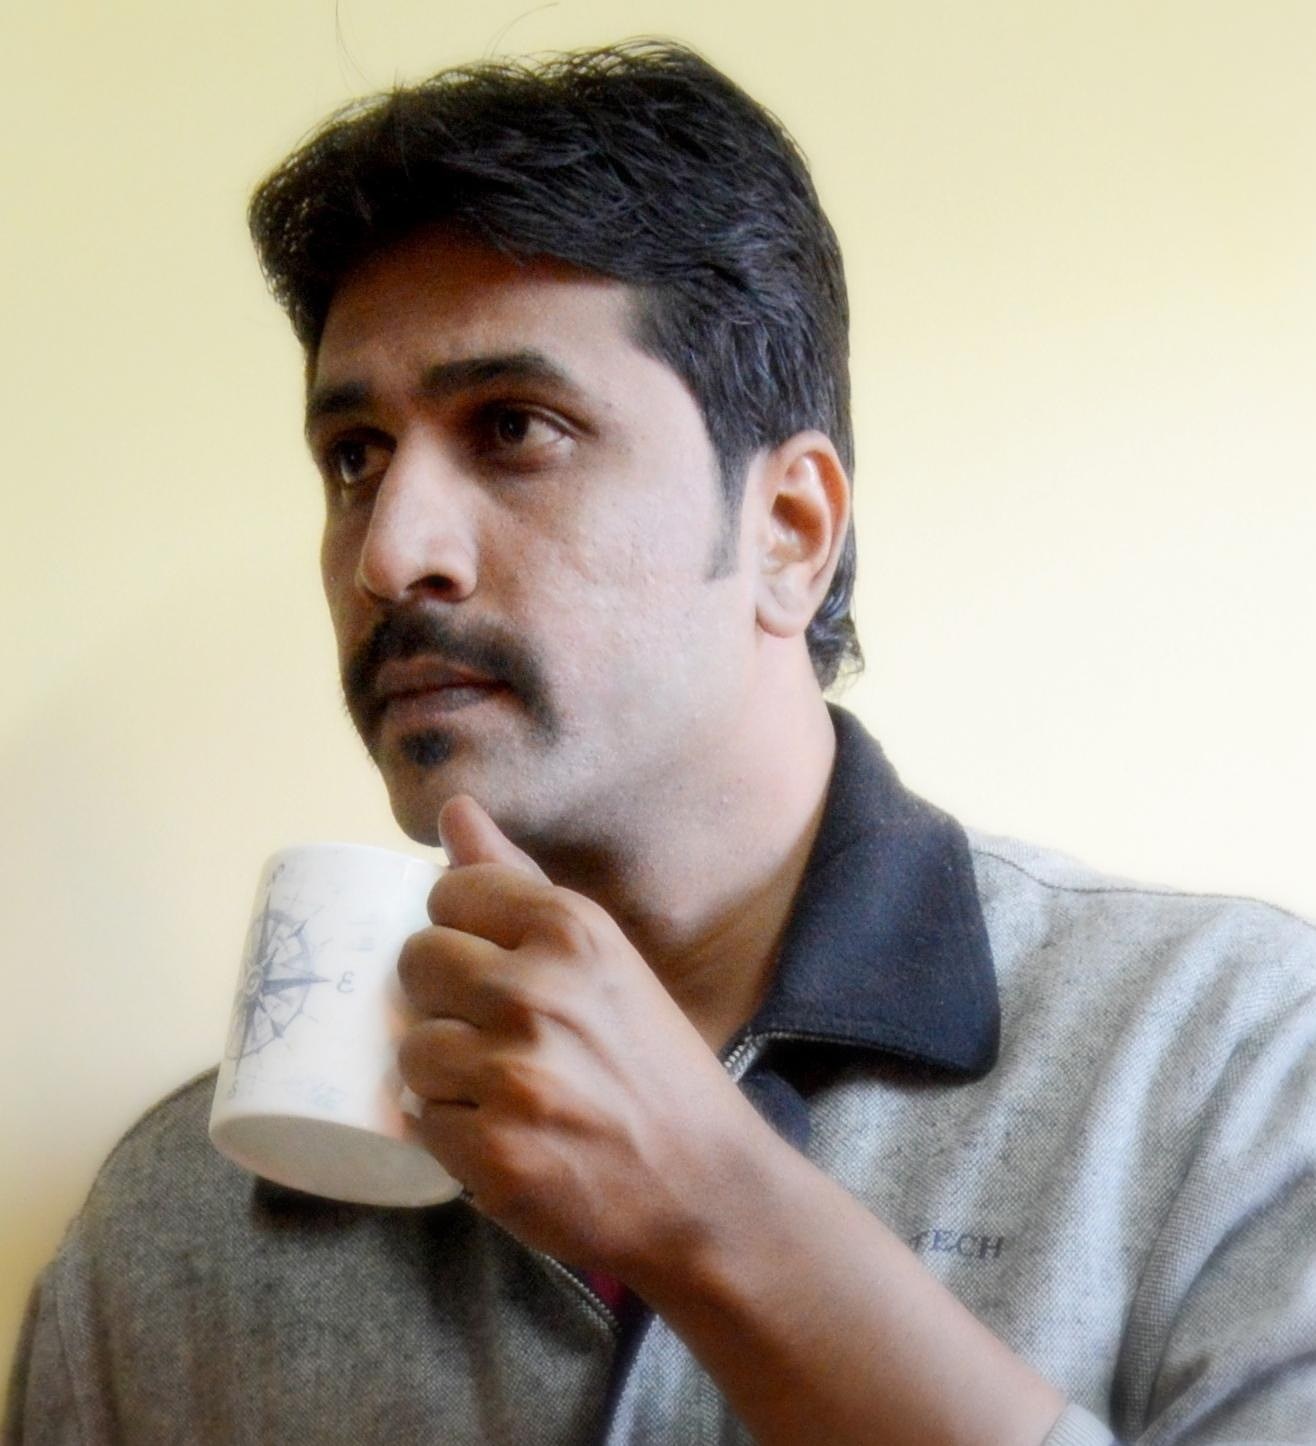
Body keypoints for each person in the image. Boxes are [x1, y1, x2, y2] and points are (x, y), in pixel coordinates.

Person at [7, 41, 1314, 1446]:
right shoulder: (172, 1227)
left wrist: (714, 1211)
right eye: (354, 458)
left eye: (515, 428)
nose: (390, 552)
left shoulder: (1226, 1066)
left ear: (789, 532)